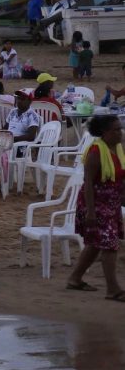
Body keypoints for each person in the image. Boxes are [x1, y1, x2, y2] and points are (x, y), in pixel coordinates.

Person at [66, 115, 125, 300]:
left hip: (111, 203)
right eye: (116, 129)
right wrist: (91, 212)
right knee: (109, 245)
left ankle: (75, 279)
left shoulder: (117, 148)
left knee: (95, 244)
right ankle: (113, 289)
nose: (120, 132)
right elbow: (88, 183)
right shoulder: (95, 151)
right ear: (105, 132)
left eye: (120, 128)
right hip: (95, 204)